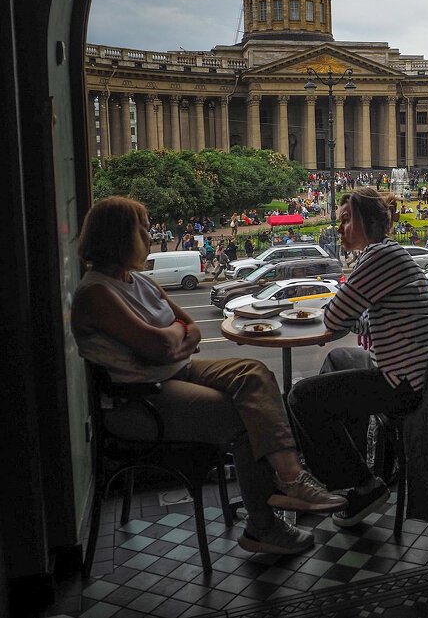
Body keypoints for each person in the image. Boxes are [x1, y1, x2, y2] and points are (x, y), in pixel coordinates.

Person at [71, 197, 346, 556]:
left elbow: (192, 329)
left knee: (254, 373)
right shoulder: (96, 293)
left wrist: (173, 340)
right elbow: (161, 345)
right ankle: (263, 525)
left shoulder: (137, 282)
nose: (149, 232)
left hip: (174, 372)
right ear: (121, 236)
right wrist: (173, 338)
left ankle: (291, 478)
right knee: (245, 417)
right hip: (139, 400)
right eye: (143, 226)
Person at [288, 188, 428, 526]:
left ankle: (362, 485)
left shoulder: (378, 258)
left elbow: (334, 319)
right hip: (413, 370)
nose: (340, 228)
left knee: (302, 397)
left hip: (405, 382)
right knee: (338, 361)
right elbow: (362, 316)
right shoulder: (386, 253)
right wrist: (342, 316)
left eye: (346, 220)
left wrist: (334, 317)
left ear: (366, 221)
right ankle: (353, 474)